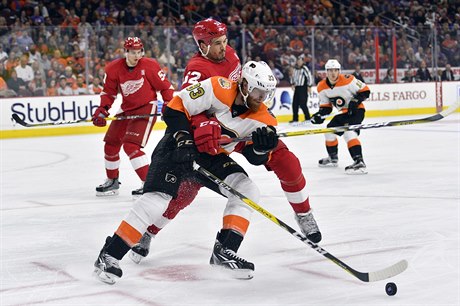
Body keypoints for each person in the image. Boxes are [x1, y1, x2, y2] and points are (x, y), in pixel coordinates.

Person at [129, 18, 321, 264]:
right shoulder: (197, 69)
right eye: (217, 43)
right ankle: (149, 231)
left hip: (241, 124)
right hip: (215, 133)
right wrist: (202, 126)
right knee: (186, 190)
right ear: (202, 45)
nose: (224, 47)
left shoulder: (230, 55)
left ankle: (303, 213)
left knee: (287, 160)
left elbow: (247, 89)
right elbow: (188, 107)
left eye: (224, 41)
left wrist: (261, 140)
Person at [94, 61, 280, 284]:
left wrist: (261, 147)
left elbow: (254, 157)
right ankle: (109, 255)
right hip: (177, 145)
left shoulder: (265, 119)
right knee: (157, 201)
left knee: (247, 189)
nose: (261, 98)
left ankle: (225, 251)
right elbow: (174, 107)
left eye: (266, 93)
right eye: (258, 91)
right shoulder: (217, 87)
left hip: (211, 156)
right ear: (244, 85)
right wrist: (183, 138)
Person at [91, 37, 174, 197]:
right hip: (127, 109)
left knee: (131, 146)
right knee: (110, 144)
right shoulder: (113, 68)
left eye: (139, 52)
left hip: (146, 108)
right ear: (126, 52)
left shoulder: (149, 66)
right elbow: (108, 92)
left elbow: (166, 87)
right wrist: (102, 109)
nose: (137, 56)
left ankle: (149, 184)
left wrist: (168, 103)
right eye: (133, 52)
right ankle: (112, 181)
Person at [311, 59, 370, 174]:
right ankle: (333, 158)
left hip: (356, 111)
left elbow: (366, 91)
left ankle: (359, 162)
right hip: (343, 113)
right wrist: (319, 115)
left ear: (339, 71)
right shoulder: (321, 86)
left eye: (336, 70)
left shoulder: (349, 80)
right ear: (326, 72)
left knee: (349, 133)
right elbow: (326, 107)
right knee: (329, 131)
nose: (333, 73)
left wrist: (356, 100)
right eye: (330, 70)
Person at [289, 57, 313, 124]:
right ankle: (295, 119)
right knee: (295, 104)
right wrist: (292, 84)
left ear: (303, 62)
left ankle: (308, 118)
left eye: (300, 61)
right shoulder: (295, 69)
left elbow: (309, 76)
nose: (299, 62)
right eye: (298, 61)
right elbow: (293, 76)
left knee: (303, 104)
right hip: (297, 88)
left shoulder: (304, 68)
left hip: (303, 88)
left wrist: (309, 86)